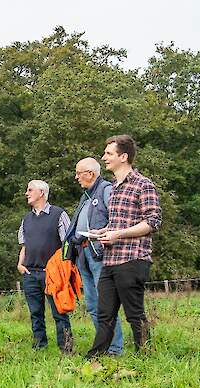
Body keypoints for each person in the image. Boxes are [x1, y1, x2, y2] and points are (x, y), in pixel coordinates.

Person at [86, 135, 162, 358]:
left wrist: (118, 234)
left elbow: (152, 222)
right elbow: (119, 221)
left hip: (132, 259)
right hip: (110, 260)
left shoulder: (143, 184)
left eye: (109, 154)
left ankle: (145, 356)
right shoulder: (114, 188)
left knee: (134, 314)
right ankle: (95, 357)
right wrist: (104, 231)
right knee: (104, 314)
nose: (104, 158)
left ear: (124, 156)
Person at [66, 157, 124, 355]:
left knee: (105, 303)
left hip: (101, 254)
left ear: (90, 174)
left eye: (78, 173)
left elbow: (119, 220)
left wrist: (102, 234)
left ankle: (114, 349)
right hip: (83, 252)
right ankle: (103, 345)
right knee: (92, 304)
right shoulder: (86, 196)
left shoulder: (107, 190)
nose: (76, 177)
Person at [17, 179, 73, 351]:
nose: (27, 193)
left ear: (41, 193)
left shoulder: (58, 214)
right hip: (30, 273)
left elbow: (68, 243)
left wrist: (63, 268)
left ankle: (66, 348)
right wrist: (20, 264)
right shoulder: (26, 219)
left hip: (53, 274)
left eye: (30, 190)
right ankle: (39, 347)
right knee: (35, 313)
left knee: (60, 313)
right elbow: (24, 245)